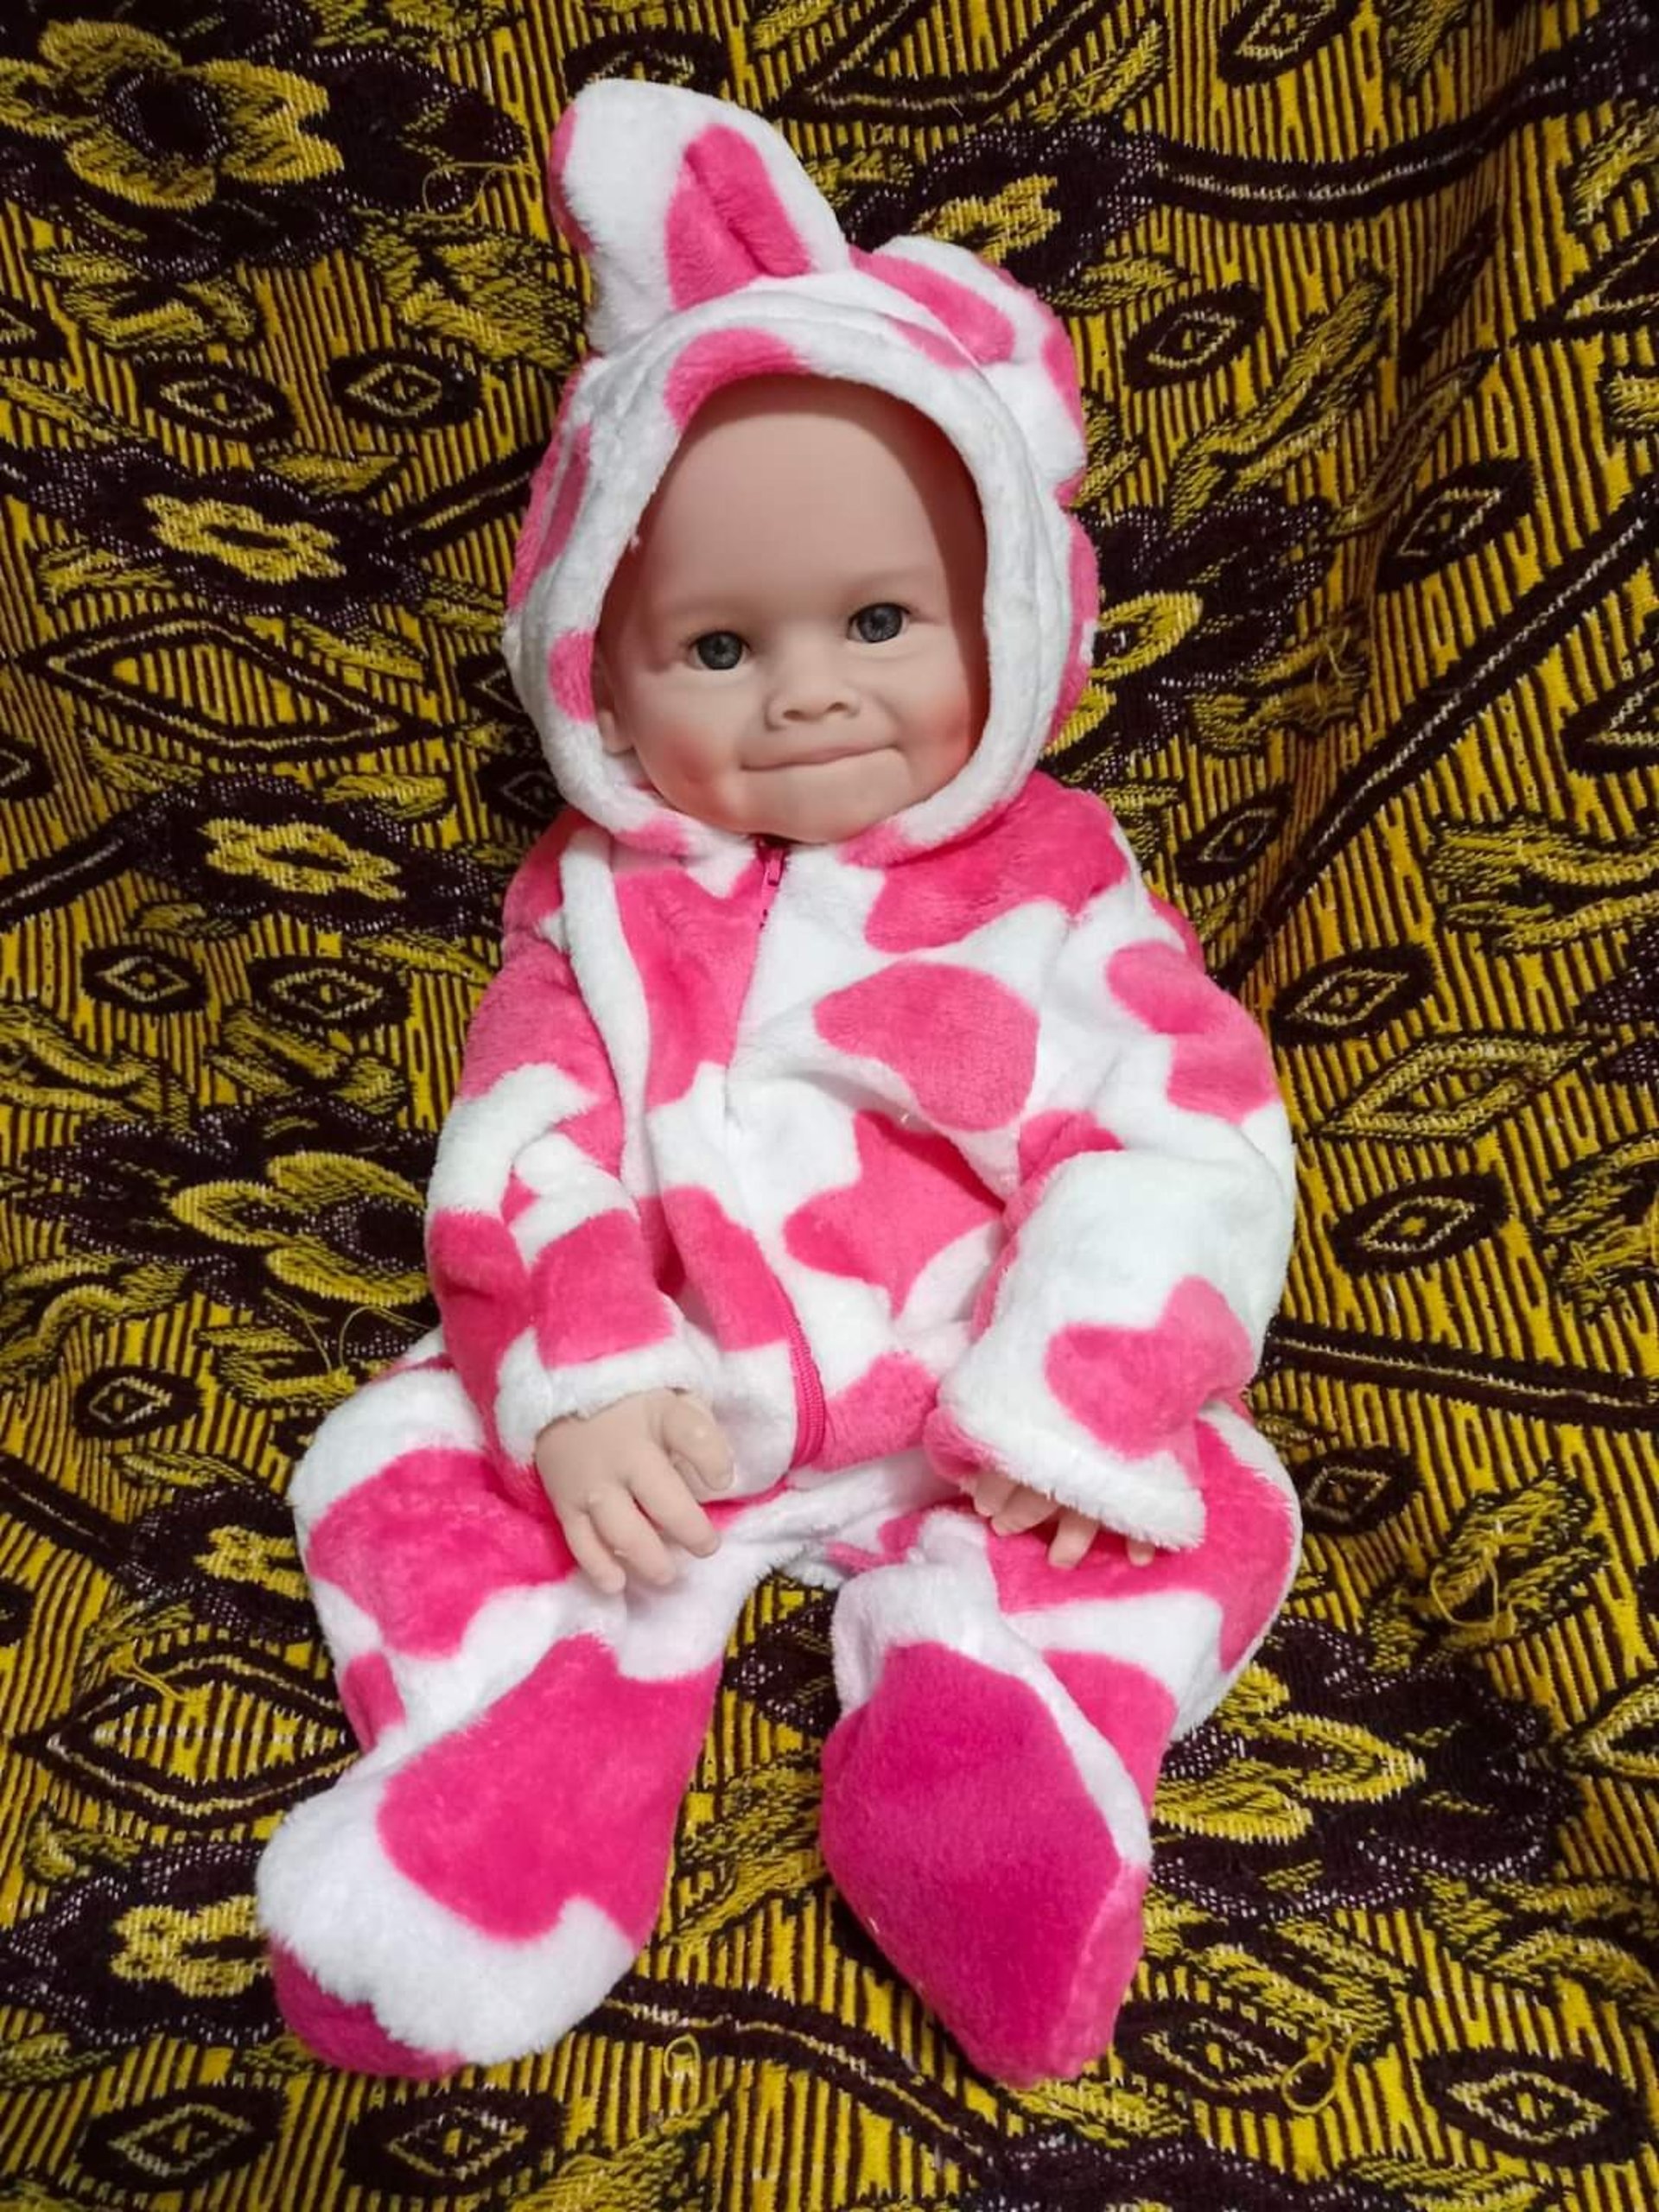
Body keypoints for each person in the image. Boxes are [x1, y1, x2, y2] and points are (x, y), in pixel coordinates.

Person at [257, 79, 1301, 2086]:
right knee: (401, 1470)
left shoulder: (1055, 884)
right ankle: (515, 1808)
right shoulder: (594, 902)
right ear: (591, 664)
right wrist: (579, 1368)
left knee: (1209, 1506)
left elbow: (1187, 1132)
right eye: (719, 644)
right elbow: (526, 1135)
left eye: (884, 621)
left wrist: (1067, 1390)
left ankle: (990, 1746)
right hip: (678, 1403)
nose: (810, 686)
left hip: (964, 1405)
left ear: (1012, 626)